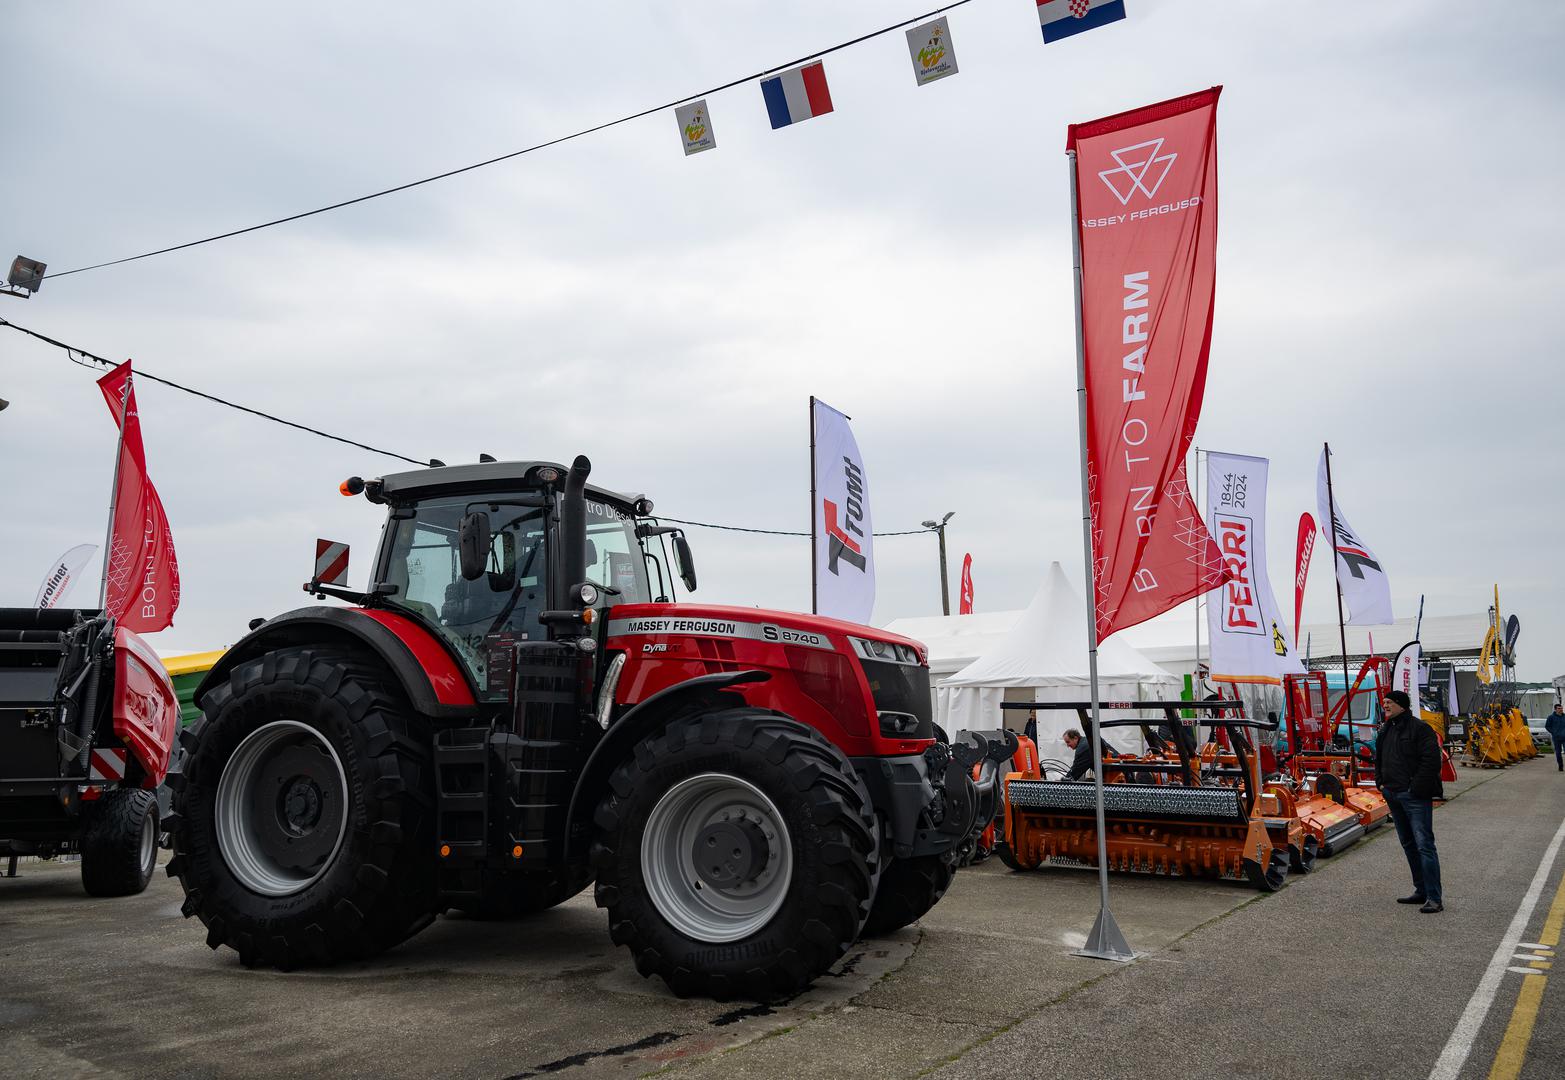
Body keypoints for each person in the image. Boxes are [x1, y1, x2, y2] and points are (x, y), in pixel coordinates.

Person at [1375, 690, 1445, 913]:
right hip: (1392, 793)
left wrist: (1415, 788)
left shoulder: (1420, 729)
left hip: (1413, 796)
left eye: (1389, 702)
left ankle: (1434, 898)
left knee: (1424, 845)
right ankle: (1421, 891)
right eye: (1384, 702)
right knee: (1408, 844)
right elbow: (1380, 758)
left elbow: (1432, 761)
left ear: (1401, 705)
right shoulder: (1386, 729)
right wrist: (1381, 783)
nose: (1385, 706)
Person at [1547, 703, 1565, 772]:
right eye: (1559, 708)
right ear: (1555, 709)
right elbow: (1547, 726)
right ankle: (1560, 766)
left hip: (1564, 737)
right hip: (1556, 738)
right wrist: (1553, 732)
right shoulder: (1551, 717)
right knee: (1558, 752)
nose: (1561, 710)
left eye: (1561, 708)